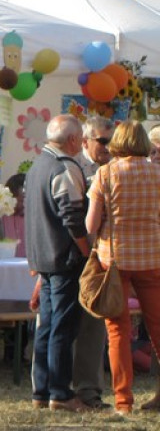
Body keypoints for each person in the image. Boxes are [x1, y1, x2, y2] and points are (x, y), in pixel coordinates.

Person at [84, 121, 160, 416]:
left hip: (114, 261)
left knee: (117, 331)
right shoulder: (157, 173)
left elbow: (90, 224)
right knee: (157, 328)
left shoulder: (106, 173)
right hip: (153, 259)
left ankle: (123, 401)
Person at [25, 114, 91, 413]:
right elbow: (73, 217)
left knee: (47, 327)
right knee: (62, 329)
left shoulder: (37, 165)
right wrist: (87, 251)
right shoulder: (64, 167)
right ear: (74, 140)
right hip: (64, 258)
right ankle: (61, 393)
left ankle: (42, 391)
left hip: (43, 257)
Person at [70, 115, 114, 410]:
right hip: (75, 254)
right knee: (60, 325)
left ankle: (89, 390)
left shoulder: (114, 169)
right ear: (85, 141)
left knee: (93, 325)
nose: (109, 147)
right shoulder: (72, 167)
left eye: (112, 141)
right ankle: (54, 390)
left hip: (100, 258)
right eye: (103, 141)